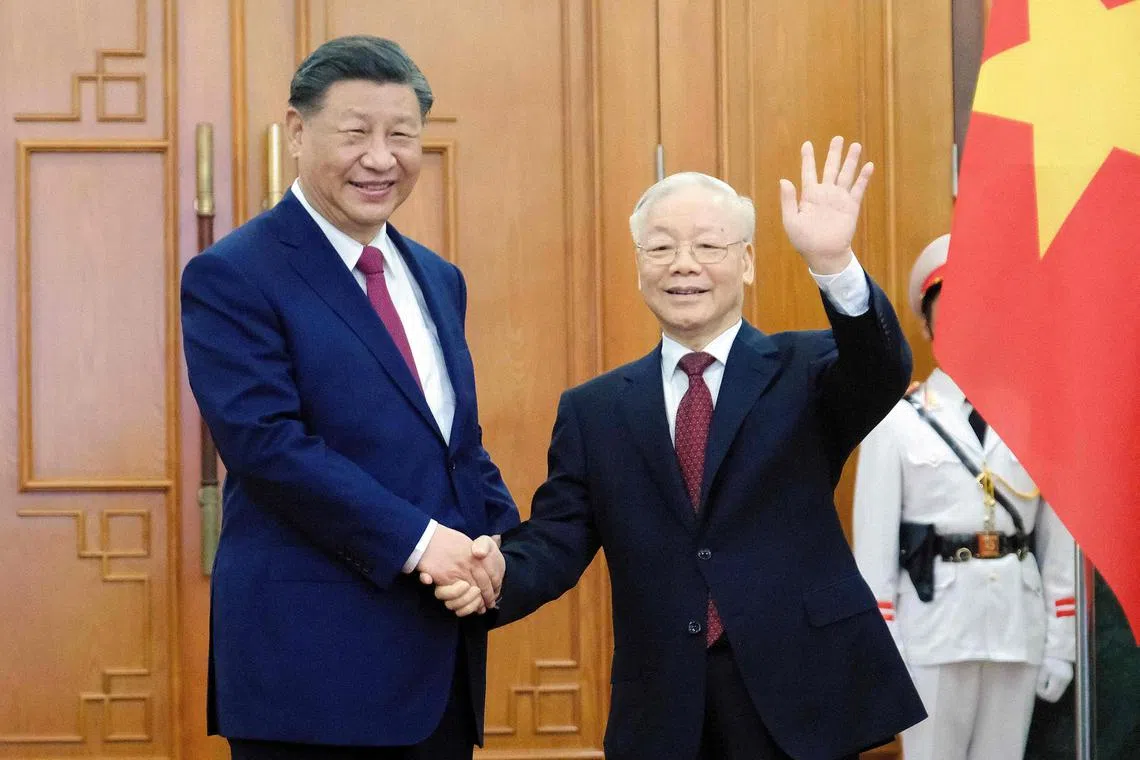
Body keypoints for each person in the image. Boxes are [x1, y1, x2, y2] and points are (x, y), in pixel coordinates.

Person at [431, 137, 927, 760]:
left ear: (747, 262)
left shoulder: (806, 369)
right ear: (639, 265)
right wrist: (498, 573)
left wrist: (834, 264)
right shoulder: (595, 410)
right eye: (661, 247)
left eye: (709, 247)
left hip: (803, 694)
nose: (683, 265)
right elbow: (559, 538)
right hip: (664, 706)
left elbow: (882, 368)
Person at [181, 36, 517, 759]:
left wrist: (493, 546)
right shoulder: (234, 274)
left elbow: (452, 442)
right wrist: (425, 544)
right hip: (311, 675)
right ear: (297, 132)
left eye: (402, 136)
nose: (381, 158)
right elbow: (267, 446)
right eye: (356, 133)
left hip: (436, 664)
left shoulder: (437, 277)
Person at [852, 234, 1076, 760]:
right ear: (927, 326)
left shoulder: (1037, 422)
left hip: (1018, 628)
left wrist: (1062, 644)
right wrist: (885, 652)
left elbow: (1059, 544)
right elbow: (873, 556)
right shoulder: (897, 422)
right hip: (931, 633)